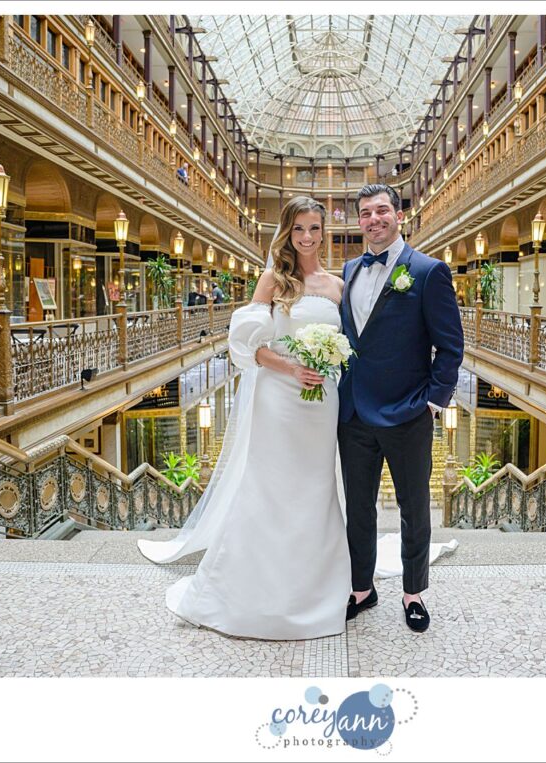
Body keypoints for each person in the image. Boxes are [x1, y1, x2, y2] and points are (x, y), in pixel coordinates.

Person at [137, 196, 350, 639]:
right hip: (279, 395)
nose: (307, 237)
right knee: (270, 485)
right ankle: (253, 588)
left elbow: (348, 343)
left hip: (321, 399)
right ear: (287, 233)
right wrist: (292, 367)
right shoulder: (274, 280)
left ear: (323, 232)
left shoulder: (337, 285)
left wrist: (328, 366)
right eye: (299, 229)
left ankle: (316, 585)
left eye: (314, 228)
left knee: (316, 486)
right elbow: (248, 348)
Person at [339, 183, 464, 633]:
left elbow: (450, 347)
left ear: (399, 215)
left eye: (382, 210)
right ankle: (361, 588)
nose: (375, 219)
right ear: (359, 221)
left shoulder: (428, 272)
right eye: (366, 213)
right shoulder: (350, 269)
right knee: (359, 508)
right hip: (353, 414)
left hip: (408, 412)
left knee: (414, 508)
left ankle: (413, 593)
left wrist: (432, 402)